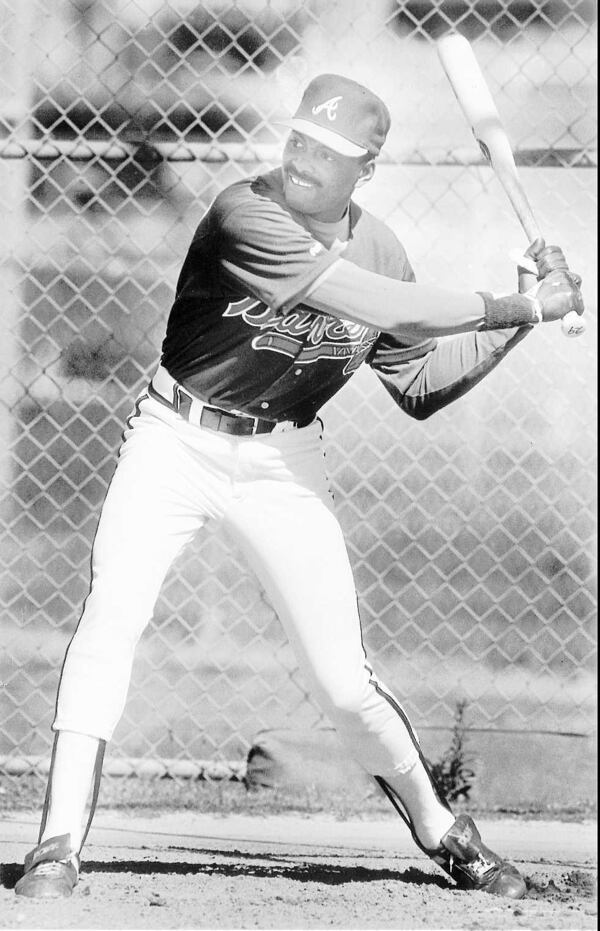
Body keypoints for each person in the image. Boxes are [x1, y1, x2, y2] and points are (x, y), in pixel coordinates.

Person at [15, 73, 583, 901]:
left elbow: (420, 381)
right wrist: (517, 305)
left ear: (367, 170)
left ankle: (445, 830)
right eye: (301, 142)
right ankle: (57, 844)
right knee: (112, 620)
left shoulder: (382, 244)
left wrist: (520, 324)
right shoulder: (244, 213)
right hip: (175, 440)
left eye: (331, 154)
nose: (306, 161)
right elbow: (369, 298)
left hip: (284, 462)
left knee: (341, 680)